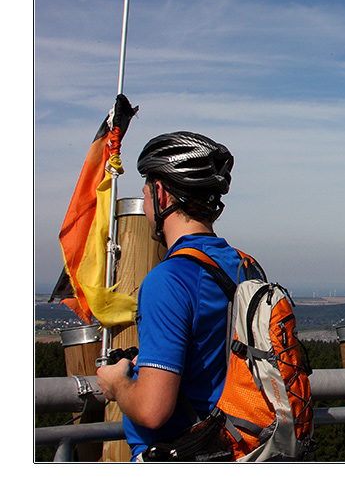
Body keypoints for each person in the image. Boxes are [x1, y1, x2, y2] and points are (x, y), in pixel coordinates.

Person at [96, 131, 242, 461]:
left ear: (161, 194)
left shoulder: (169, 279)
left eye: (146, 192)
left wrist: (117, 382)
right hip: (239, 449)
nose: (146, 203)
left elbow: (152, 410)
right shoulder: (243, 266)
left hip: (182, 457)